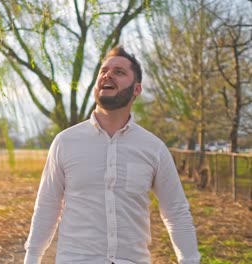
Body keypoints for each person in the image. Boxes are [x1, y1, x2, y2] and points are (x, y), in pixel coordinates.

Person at [24, 46, 201, 264]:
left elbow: (176, 212)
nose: (107, 75)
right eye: (104, 71)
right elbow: (47, 207)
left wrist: (190, 260)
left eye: (119, 72)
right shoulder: (65, 142)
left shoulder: (154, 148)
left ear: (137, 89)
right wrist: (32, 258)